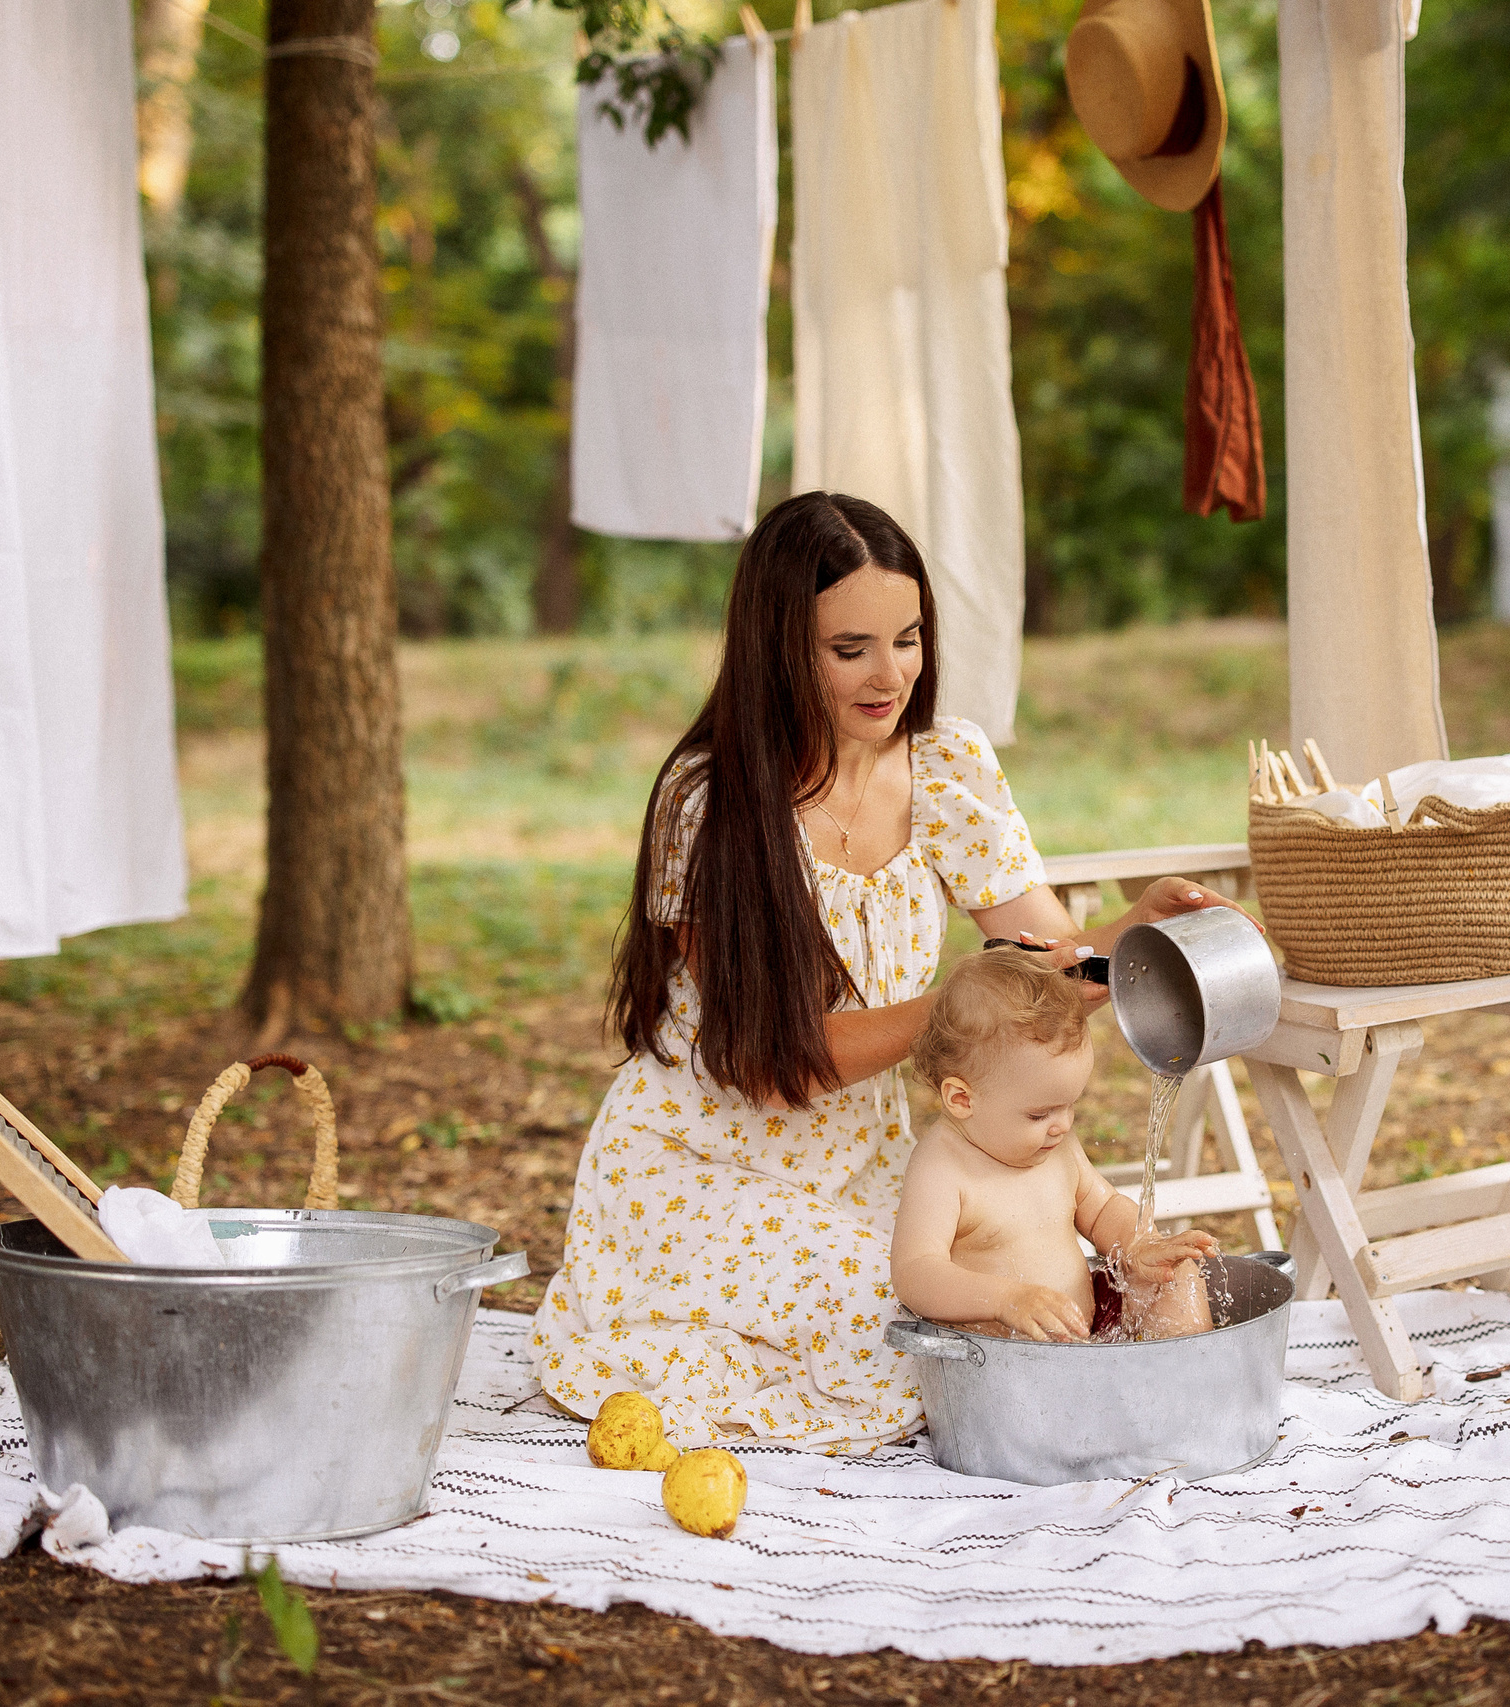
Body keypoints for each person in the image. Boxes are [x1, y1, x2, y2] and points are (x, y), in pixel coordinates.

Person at [528, 492, 1246, 1452]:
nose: (890, 674)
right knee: (916, 1323)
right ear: (779, 647)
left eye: (907, 638)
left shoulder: (948, 767)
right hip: (710, 1163)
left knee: (1025, 1284)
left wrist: (1131, 937)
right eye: (849, 648)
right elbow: (781, 1064)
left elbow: (1043, 961)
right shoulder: (711, 803)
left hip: (870, 1164)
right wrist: (953, 1005)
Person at [890, 950, 1216, 1342]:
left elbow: (1102, 1209)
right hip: (1004, 1353)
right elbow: (916, 1273)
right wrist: (1006, 1300)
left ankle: (1190, 1376)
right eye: (1038, 1114)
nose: (1062, 1125)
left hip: (1089, 1329)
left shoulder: (1053, 1144)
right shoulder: (942, 1168)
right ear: (962, 1099)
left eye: (1070, 1105)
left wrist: (1138, 1244)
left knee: (1178, 1274)